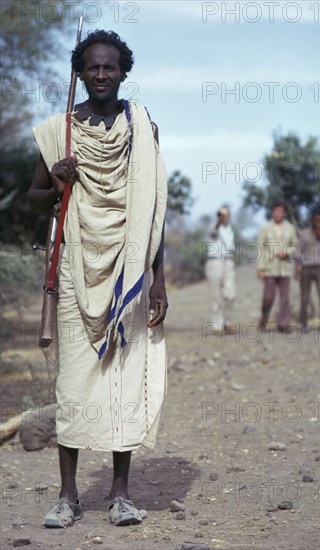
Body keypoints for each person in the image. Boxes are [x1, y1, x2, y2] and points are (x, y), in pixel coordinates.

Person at [27, 30, 168, 528]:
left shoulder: (142, 126)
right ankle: (67, 497)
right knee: (74, 384)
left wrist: (158, 279)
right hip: (74, 268)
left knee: (122, 383)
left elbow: (154, 212)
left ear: (123, 71)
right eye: (92, 68)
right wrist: (59, 179)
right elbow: (33, 200)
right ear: (80, 73)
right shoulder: (57, 131)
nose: (101, 75)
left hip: (129, 271)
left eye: (110, 67)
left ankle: (120, 496)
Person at [257, 200, 299, 332]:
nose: (277, 214)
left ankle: (284, 324)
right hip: (270, 267)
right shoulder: (266, 228)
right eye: (275, 211)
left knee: (285, 298)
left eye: (280, 211)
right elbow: (260, 248)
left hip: (285, 268)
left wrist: (287, 252)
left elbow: (296, 246)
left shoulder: (290, 229)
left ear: (284, 213)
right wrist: (261, 268)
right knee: (268, 297)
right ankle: (264, 319)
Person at [296, 213, 320, 334]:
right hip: (306, 267)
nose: (317, 222)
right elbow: (298, 252)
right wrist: (297, 269)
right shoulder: (304, 233)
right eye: (315, 220)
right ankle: (304, 324)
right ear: (312, 220)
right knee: (305, 298)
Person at [204, 205, 237, 331]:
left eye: (225, 214)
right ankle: (217, 325)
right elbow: (212, 233)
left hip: (228, 261)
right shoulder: (213, 227)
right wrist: (218, 221)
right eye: (220, 214)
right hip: (215, 261)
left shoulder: (229, 229)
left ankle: (227, 321)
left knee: (230, 294)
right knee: (216, 295)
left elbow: (230, 245)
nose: (223, 217)